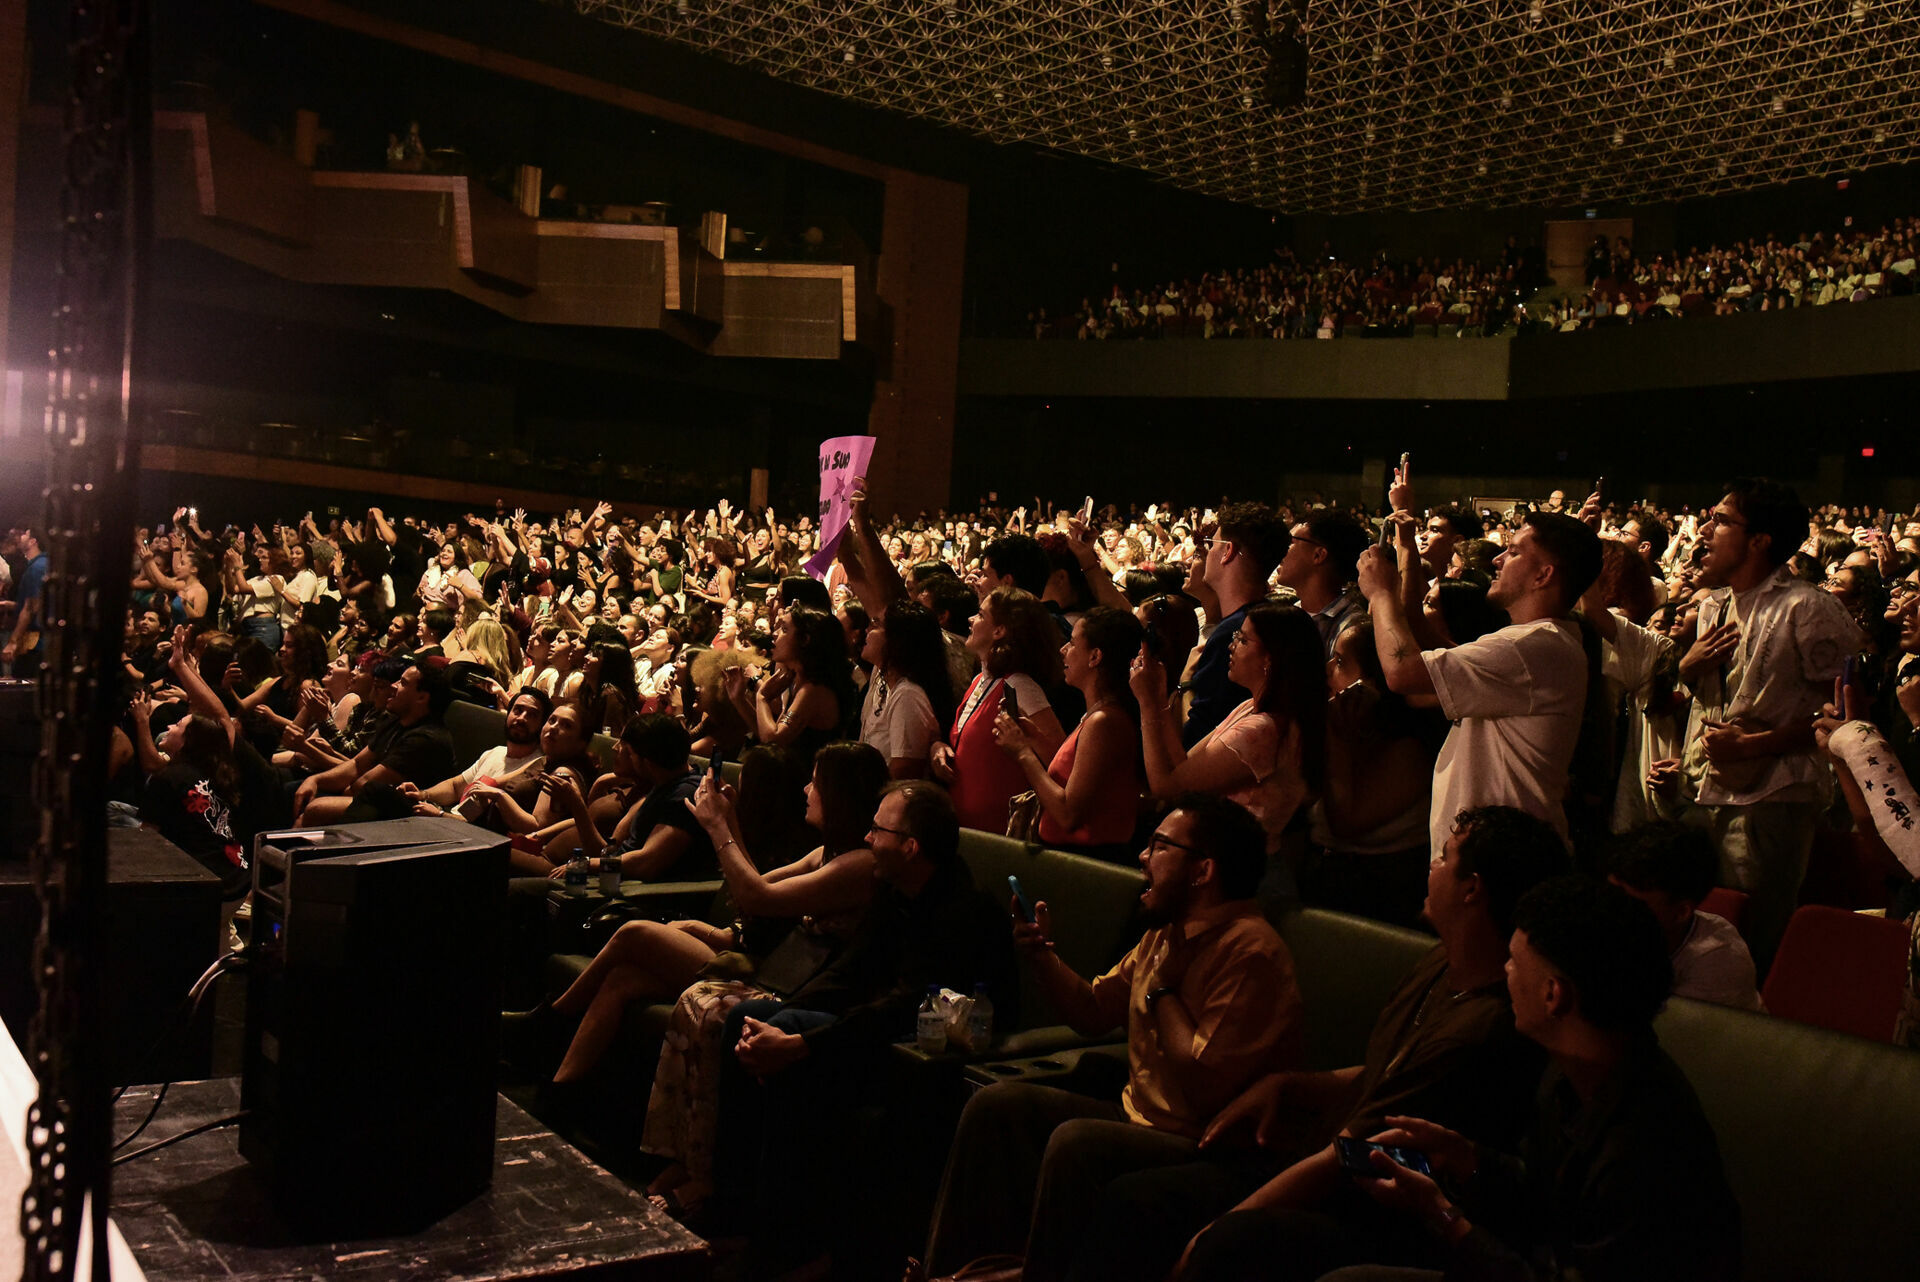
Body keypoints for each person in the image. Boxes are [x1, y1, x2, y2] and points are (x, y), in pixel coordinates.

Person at [1206, 877, 1741, 1282]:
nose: (1504, 972)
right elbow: (1545, 1192)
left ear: (1554, 995)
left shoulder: (1645, 1143)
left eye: (1515, 962)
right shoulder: (1574, 1067)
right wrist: (1466, 1158)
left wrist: (1443, 1216)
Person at [922, 795, 1305, 1282]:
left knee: (1077, 1143)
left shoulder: (1249, 952)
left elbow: (1203, 1085)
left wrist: (1163, 989)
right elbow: (1092, 1010)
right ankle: (948, 1272)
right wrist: (1041, 956)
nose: (1143, 858)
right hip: (1138, 1116)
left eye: (1159, 846)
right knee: (996, 1107)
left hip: (1203, 1144)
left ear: (1203, 870)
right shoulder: (1166, 933)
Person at [515, 743, 888, 1154]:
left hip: (783, 984)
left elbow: (758, 898)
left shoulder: (860, 864)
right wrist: (727, 821)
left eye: (815, 784)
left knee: (634, 934)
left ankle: (549, 1020)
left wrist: (717, 828)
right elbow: (750, 894)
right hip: (768, 965)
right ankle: (560, 1094)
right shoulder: (825, 853)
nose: (806, 790)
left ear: (839, 795)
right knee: (623, 978)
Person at [698, 783, 1014, 1265]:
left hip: (921, 1055)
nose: (867, 838)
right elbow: (850, 971)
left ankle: (782, 1244)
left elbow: (903, 1010)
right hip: (871, 1026)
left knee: (793, 1037)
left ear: (911, 847)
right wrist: (778, 1023)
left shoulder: (962, 912)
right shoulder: (895, 890)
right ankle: (731, 1209)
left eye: (877, 830)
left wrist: (801, 1042)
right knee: (749, 1015)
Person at [1662, 478, 1863, 971]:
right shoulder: (1714, 604)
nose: (1704, 530)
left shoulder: (1808, 607)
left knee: (1750, 941)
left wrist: (1756, 744)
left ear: (1759, 541)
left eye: (1721, 520)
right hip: (1703, 790)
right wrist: (1686, 670)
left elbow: (1849, 713)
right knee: (1696, 934)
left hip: (1771, 801)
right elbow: (1715, 700)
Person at [1358, 511, 1602, 857]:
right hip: (1497, 852)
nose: (1498, 560)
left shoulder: (1530, 647)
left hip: (1499, 860)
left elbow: (1402, 673)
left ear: (1544, 574)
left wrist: (1381, 595)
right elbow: (1432, 651)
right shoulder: (1543, 643)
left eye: (1514, 552)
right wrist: (1406, 545)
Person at [1134, 602, 1327, 855]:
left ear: (1270, 658)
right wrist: (1159, 697)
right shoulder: (1250, 708)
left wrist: (1147, 703)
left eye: (1243, 640)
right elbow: (1184, 766)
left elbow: (1167, 789)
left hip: (1240, 865)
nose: (1230, 646)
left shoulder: (1263, 730)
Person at [1306, 617, 1447, 928]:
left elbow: (1345, 822)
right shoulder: (1358, 731)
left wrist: (1336, 738)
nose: (1327, 670)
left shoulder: (1408, 749)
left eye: (1340, 662)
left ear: (1372, 683)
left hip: (1376, 890)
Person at [993, 606, 1145, 861]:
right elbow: (1075, 778)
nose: (1063, 650)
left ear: (1095, 656)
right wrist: (1032, 738)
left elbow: (1068, 815)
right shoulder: (1099, 714)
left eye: (1072, 643)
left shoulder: (1105, 722)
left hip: (1086, 860)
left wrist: (1022, 753)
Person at [935, 587, 1067, 832]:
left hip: (998, 834)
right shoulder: (979, 681)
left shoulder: (1020, 686)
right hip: (965, 827)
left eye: (980, 615)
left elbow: (1059, 760)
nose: (970, 619)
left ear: (999, 631)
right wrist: (939, 748)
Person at [1606, 821, 1763, 1011]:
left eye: (1631, 903)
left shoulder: (1718, 960)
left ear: (1681, 912)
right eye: (1610, 893)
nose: (1611, 908)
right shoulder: (1610, 925)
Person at [542, 712, 714, 881]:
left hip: (623, 888)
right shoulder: (666, 784)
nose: (618, 750)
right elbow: (611, 851)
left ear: (647, 761)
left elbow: (645, 864)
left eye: (630, 753)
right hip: (605, 873)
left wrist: (585, 864)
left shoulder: (686, 796)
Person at [293, 662, 457, 825]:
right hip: (368, 798)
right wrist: (315, 780)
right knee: (295, 791)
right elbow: (356, 764)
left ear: (422, 697)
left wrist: (328, 790)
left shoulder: (425, 740)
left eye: (403, 683)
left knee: (315, 809)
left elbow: (364, 784)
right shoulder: (395, 720)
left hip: (403, 813)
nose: (393, 686)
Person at [1184, 504, 1291, 746]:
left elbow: (1197, 735)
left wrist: (1183, 684)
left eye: (1212, 544)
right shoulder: (1271, 619)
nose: (1208, 553)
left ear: (1227, 551)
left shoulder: (1233, 633)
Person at [402, 687, 550, 819]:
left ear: (542, 725)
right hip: (448, 819)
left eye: (532, 715)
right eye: (518, 710)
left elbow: (474, 820)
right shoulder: (495, 752)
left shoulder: (536, 766)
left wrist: (439, 815)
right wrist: (422, 794)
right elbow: (455, 787)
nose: (522, 718)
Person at [859, 600, 952, 779]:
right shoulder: (882, 679)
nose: (867, 630)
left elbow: (903, 772)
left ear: (897, 640)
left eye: (876, 624)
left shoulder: (907, 696)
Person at [1274, 510, 1369, 655]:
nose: (1281, 550)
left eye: (1290, 543)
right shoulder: (1289, 615)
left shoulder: (1352, 630)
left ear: (1318, 555)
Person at [3, 529, 45, 674]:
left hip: (34, 642)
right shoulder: (37, 565)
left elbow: (31, 607)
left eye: (25, 534)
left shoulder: (37, 568)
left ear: (33, 541)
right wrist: (9, 605)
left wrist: (13, 642)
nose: (20, 537)